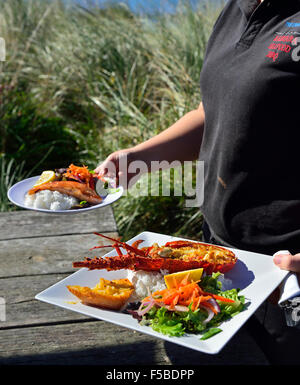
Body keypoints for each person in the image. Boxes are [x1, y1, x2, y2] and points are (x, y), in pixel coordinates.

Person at [95, 0, 300, 363]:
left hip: (287, 271)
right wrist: (138, 159)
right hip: (220, 258)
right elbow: (215, 111)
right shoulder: (235, 10)